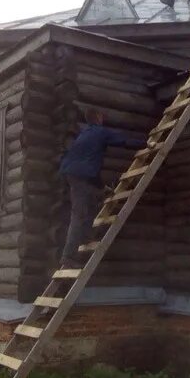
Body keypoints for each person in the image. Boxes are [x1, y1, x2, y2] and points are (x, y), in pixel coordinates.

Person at [59, 108, 152, 268]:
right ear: (98, 118)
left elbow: (87, 164)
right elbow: (123, 141)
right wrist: (146, 144)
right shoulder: (100, 132)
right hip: (81, 175)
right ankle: (67, 257)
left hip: (74, 174)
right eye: (102, 116)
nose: (104, 119)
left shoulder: (84, 134)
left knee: (92, 200)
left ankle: (86, 235)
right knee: (79, 214)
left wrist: (101, 189)